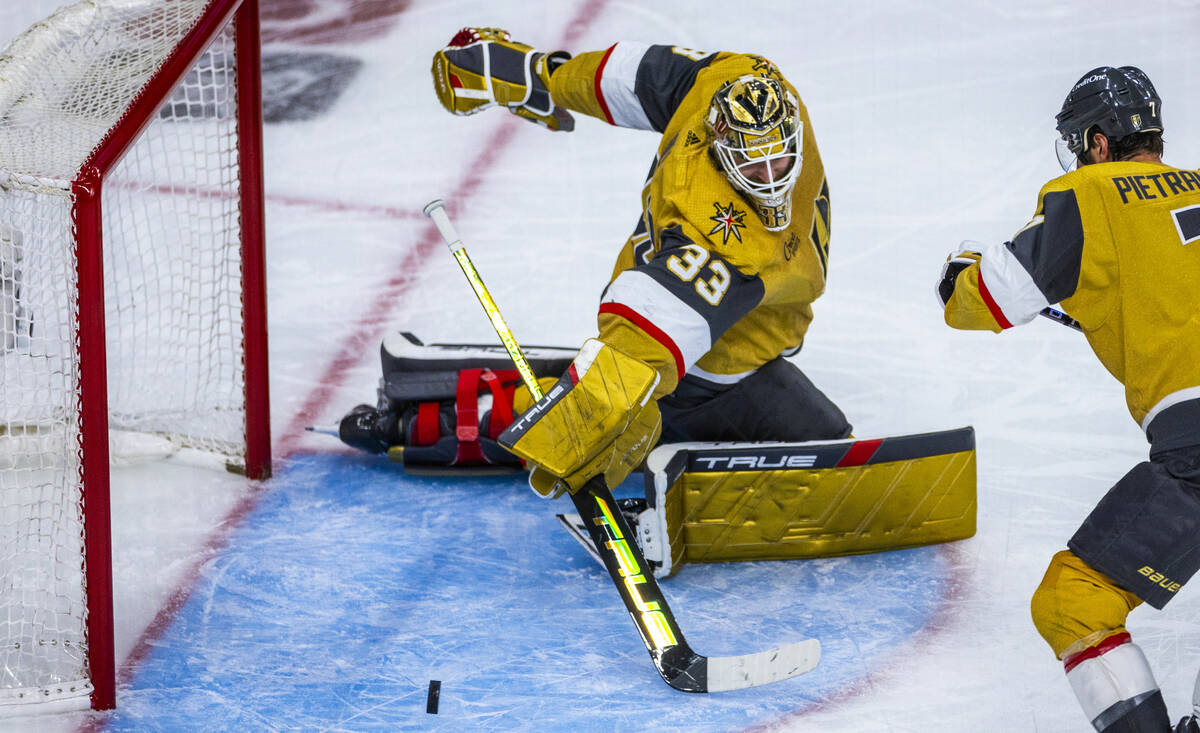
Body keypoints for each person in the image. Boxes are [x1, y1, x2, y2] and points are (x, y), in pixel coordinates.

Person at [340, 27, 851, 493]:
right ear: (721, 147)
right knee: (824, 442)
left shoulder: (733, 81)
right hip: (711, 353)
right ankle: (468, 419)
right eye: (751, 164)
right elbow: (642, 343)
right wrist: (583, 425)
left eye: (779, 157)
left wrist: (541, 78)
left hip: (706, 313)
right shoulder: (719, 239)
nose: (769, 178)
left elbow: (629, 77)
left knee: (639, 396)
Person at [936, 65, 1200, 733]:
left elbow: (988, 299)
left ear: (1098, 142)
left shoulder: (1092, 193)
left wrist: (958, 278)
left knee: (1072, 601)